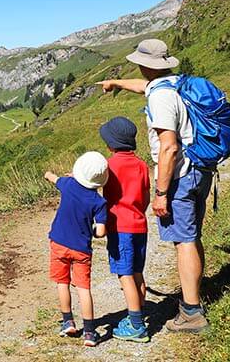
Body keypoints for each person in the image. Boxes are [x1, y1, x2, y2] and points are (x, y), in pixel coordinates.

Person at [97, 38, 212, 333]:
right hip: (199, 168)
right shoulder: (173, 83)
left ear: (144, 64)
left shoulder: (160, 98)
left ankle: (191, 313)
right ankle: (192, 301)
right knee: (191, 236)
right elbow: (143, 85)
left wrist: (160, 193)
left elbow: (169, 147)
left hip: (181, 176)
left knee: (184, 240)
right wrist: (116, 83)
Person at [45, 151, 109, 347]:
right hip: (81, 249)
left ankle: (68, 321)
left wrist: (48, 174)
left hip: (59, 243)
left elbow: (53, 178)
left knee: (62, 283)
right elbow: (101, 232)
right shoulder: (99, 202)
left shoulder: (68, 185)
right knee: (83, 287)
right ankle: (89, 332)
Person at [100, 116, 151, 342]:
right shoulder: (141, 165)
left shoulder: (110, 165)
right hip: (140, 225)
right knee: (138, 272)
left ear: (112, 143)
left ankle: (137, 325)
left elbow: (93, 185)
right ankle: (138, 312)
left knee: (125, 275)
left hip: (120, 227)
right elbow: (146, 197)